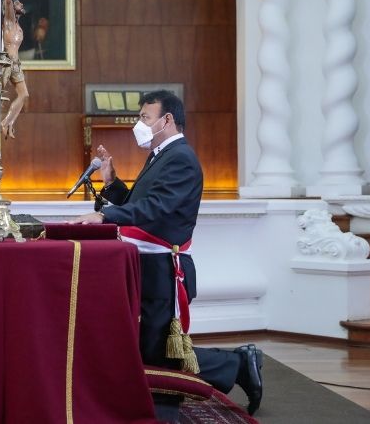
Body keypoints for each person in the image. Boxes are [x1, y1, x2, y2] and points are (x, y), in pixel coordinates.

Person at [71, 90, 263, 417]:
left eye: (145, 118)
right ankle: (237, 363)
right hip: (147, 264)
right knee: (152, 347)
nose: (139, 125)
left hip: (164, 268)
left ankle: (233, 366)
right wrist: (113, 182)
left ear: (167, 119)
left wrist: (106, 215)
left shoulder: (182, 159)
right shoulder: (161, 155)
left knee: (160, 352)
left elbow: (157, 208)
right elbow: (137, 204)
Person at [1, 0, 30, 139]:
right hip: (6, 62)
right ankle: (1, 123)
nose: (21, 4)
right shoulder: (9, 21)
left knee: (24, 94)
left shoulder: (19, 27)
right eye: (18, 3)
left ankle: (8, 122)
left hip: (16, 63)